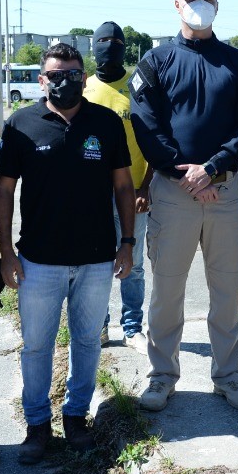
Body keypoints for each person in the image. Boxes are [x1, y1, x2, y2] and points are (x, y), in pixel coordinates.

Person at [0, 43, 136, 463]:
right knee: (37, 346)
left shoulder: (105, 123)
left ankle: (76, 417)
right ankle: (37, 426)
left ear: (84, 77)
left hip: (96, 259)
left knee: (87, 341)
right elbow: (4, 192)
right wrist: (6, 253)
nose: (66, 81)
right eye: (57, 74)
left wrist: (127, 243)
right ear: (42, 80)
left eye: (74, 74)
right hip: (38, 261)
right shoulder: (21, 125)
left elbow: (124, 186)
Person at [130, 0, 238, 412]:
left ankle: (228, 376)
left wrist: (213, 168)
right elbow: (146, 125)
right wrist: (183, 171)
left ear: (218, 4)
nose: (199, 3)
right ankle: (162, 377)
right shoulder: (156, 62)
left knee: (226, 292)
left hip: (223, 193)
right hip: (173, 192)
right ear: (177, 3)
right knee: (167, 291)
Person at [83, 21, 153, 352]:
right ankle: (98, 326)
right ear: (92, 46)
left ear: (125, 47)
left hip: (133, 193)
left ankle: (132, 327)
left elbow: (155, 139)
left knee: (133, 265)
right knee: (95, 264)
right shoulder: (83, 88)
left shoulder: (139, 86)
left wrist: (147, 186)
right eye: (102, 40)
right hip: (93, 195)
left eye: (116, 41)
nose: (109, 46)